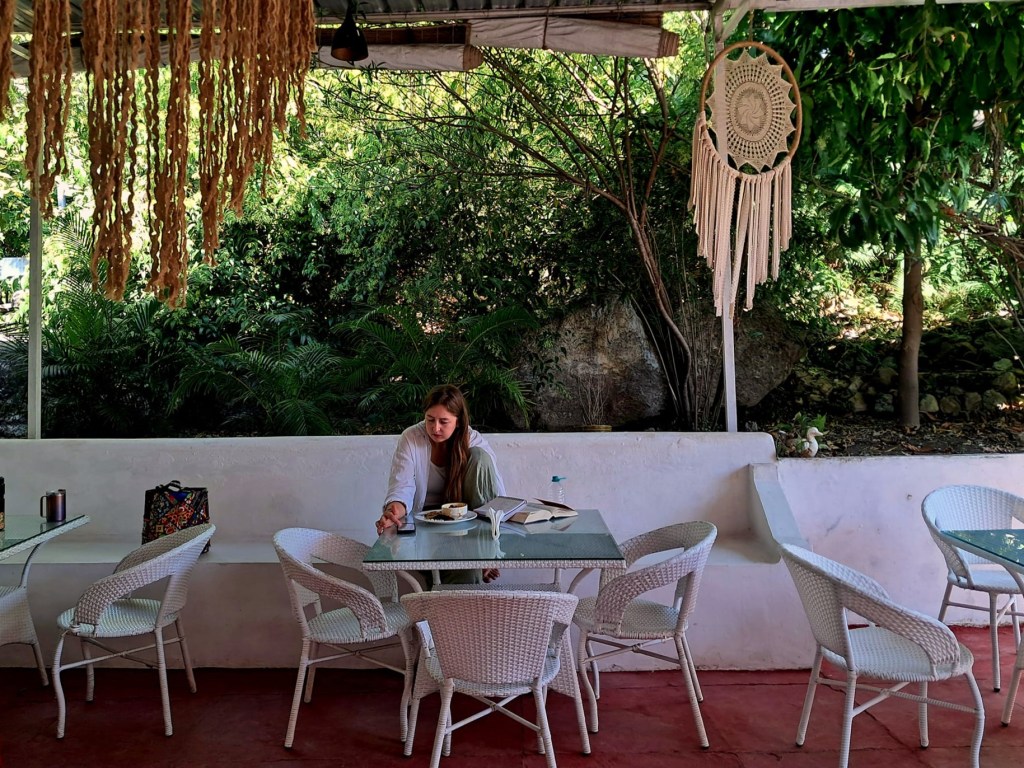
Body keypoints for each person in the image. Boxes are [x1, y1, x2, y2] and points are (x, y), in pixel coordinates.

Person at [376, 384, 503, 583]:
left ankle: (483, 552)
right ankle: (462, 575)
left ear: (458, 421)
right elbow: (402, 486)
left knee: (480, 457)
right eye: (430, 420)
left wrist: (487, 551)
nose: (435, 428)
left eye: (444, 421)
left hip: (466, 525)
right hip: (426, 525)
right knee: (465, 571)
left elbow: (492, 493)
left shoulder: (473, 440)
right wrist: (394, 511)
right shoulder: (411, 438)